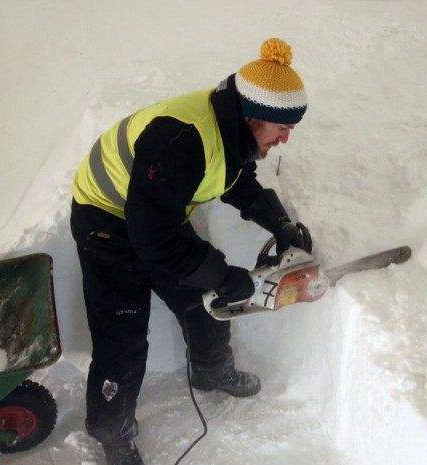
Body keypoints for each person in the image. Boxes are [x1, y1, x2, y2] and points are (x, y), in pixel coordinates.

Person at [70, 37, 310, 465]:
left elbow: (235, 179)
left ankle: (211, 370)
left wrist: (279, 223)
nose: (285, 139)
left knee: (204, 303)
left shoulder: (233, 128)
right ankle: (113, 432)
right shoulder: (182, 138)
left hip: (155, 211)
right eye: (282, 128)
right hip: (105, 218)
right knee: (122, 336)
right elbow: (154, 240)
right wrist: (223, 275)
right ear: (256, 116)